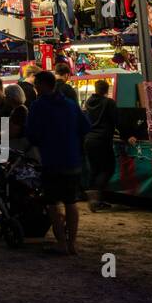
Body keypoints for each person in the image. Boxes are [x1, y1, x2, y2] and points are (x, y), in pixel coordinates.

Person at [25, 70, 91, 256]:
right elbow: (86, 126)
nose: (35, 88)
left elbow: (32, 135)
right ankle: (73, 243)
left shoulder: (38, 106)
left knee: (52, 202)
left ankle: (61, 241)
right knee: (71, 202)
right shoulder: (71, 104)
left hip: (51, 161)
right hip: (72, 159)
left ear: (45, 85)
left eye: (37, 84)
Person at [83, 79, 118, 212]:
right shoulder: (109, 103)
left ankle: (93, 199)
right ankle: (96, 198)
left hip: (89, 139)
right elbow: (117, 120)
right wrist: (127, 135)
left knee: (94, 169)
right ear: (107, 90)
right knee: (107, 168)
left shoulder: (88, 103)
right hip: (103, 140)